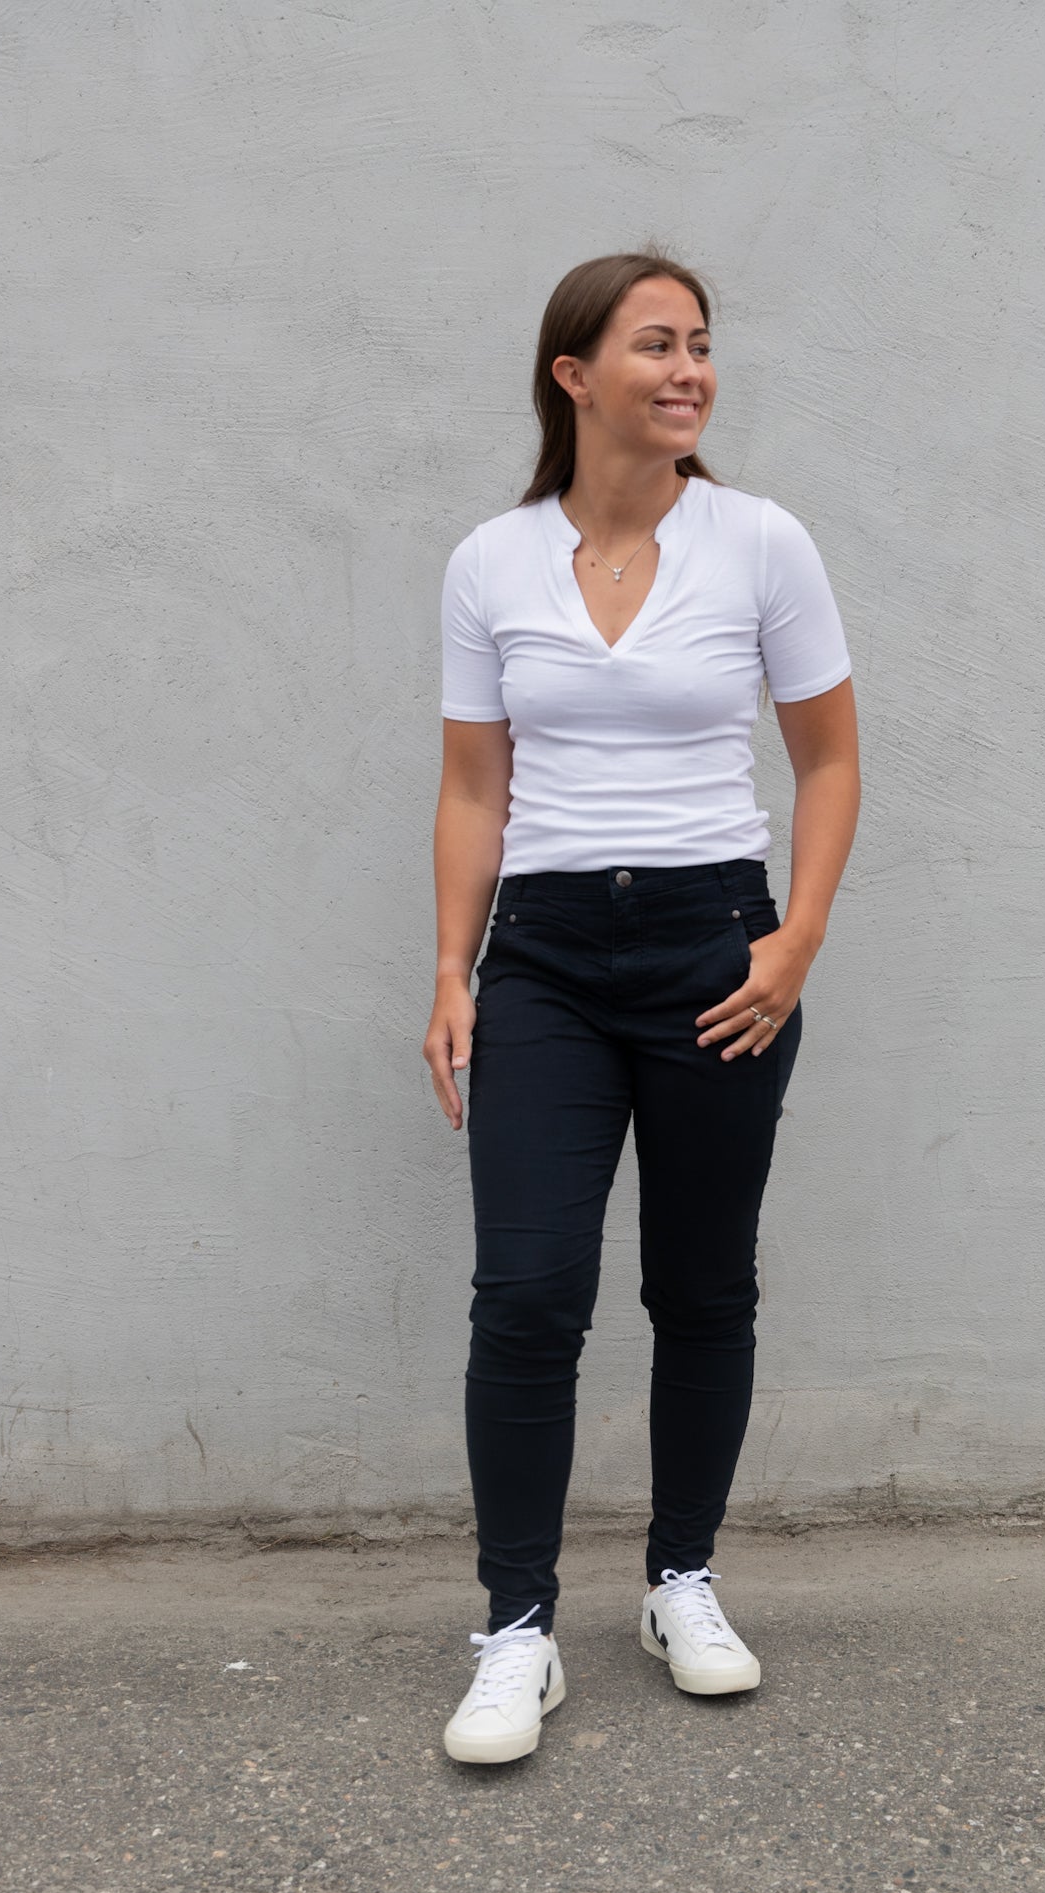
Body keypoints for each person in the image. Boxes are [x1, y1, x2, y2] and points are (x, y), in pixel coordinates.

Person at [424, 245, 861, 1766]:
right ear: (574, 375)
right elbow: (472, 786)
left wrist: (794, 940)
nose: (689, 372)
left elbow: (827, 759)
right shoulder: (491, 561)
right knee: (527, 1292)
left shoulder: (761, 543)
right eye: (655, 345)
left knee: (702, 1284)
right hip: (544, 958)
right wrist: (451, 969)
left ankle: (682, 1582)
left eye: (700, 345)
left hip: (713, 950)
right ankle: (517, 1629)